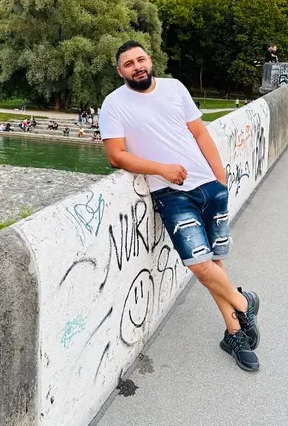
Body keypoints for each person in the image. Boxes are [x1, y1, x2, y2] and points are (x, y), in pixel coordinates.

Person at [99, 41, 260, 372]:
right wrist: (162, 169)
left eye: (141, 59)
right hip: (170, 193)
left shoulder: (174, 87)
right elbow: (115, 156)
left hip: (208, 185)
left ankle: (233, 332)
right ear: (120, 71)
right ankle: (245, 303)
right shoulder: (113, 104)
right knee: (199, 265)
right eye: (129, 63)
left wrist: (220, 179)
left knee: (214, 262)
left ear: (150, 60)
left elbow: (199, 133)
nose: (137, 66)